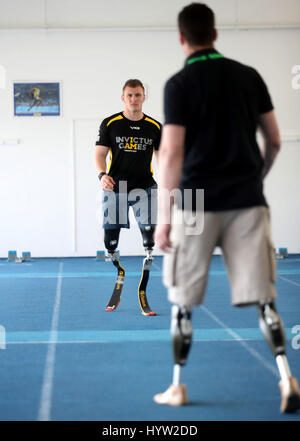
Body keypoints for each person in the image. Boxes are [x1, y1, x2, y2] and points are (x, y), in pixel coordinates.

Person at [153, 3, 300, 412]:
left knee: (182, 301)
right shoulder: (249, 77)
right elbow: (273, 141)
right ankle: (287, 378)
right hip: (246, 200)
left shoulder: (179, 84)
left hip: (196, 201)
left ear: (182, 38)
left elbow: (171, 153)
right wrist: (256, 179)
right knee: (265, 300)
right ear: (215, 34)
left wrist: (164, 219)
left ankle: (177, 386)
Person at [95, 79, 161, 315]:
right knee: (110, 241)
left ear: (144, 97)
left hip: (145, 187)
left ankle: (147, 266)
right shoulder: (110, 124)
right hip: (115, 187)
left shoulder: (154, 126)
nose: (134, 99)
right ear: (123, 98)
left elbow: (162, 156)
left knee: (150, 236)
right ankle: (117, 265)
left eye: (138, 95)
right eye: (130, 95)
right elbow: (100, 154)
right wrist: (102, 174)